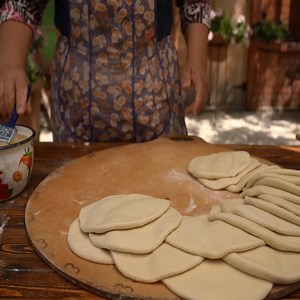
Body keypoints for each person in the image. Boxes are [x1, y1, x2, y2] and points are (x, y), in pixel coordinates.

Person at [0, 0, 210, 142]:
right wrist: (10, 63)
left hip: (156, 99)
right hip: (76, 106)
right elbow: (24, 4)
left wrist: (197, 59)